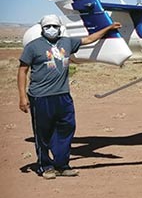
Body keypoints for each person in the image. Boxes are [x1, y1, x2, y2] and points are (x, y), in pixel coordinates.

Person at [18, 14, 122, 178]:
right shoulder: (32, 46)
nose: (51, 29)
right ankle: (45, 166)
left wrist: (108, 28)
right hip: (40, 96)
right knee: (43, 132)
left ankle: (62, 164)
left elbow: (88, 40)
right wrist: (22, 97)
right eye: (47, 26)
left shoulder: (66, 42)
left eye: (54, 26)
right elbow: (22, 70)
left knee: (67, 128)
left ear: (60, 28)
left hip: (63, 95)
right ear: (41, 28)